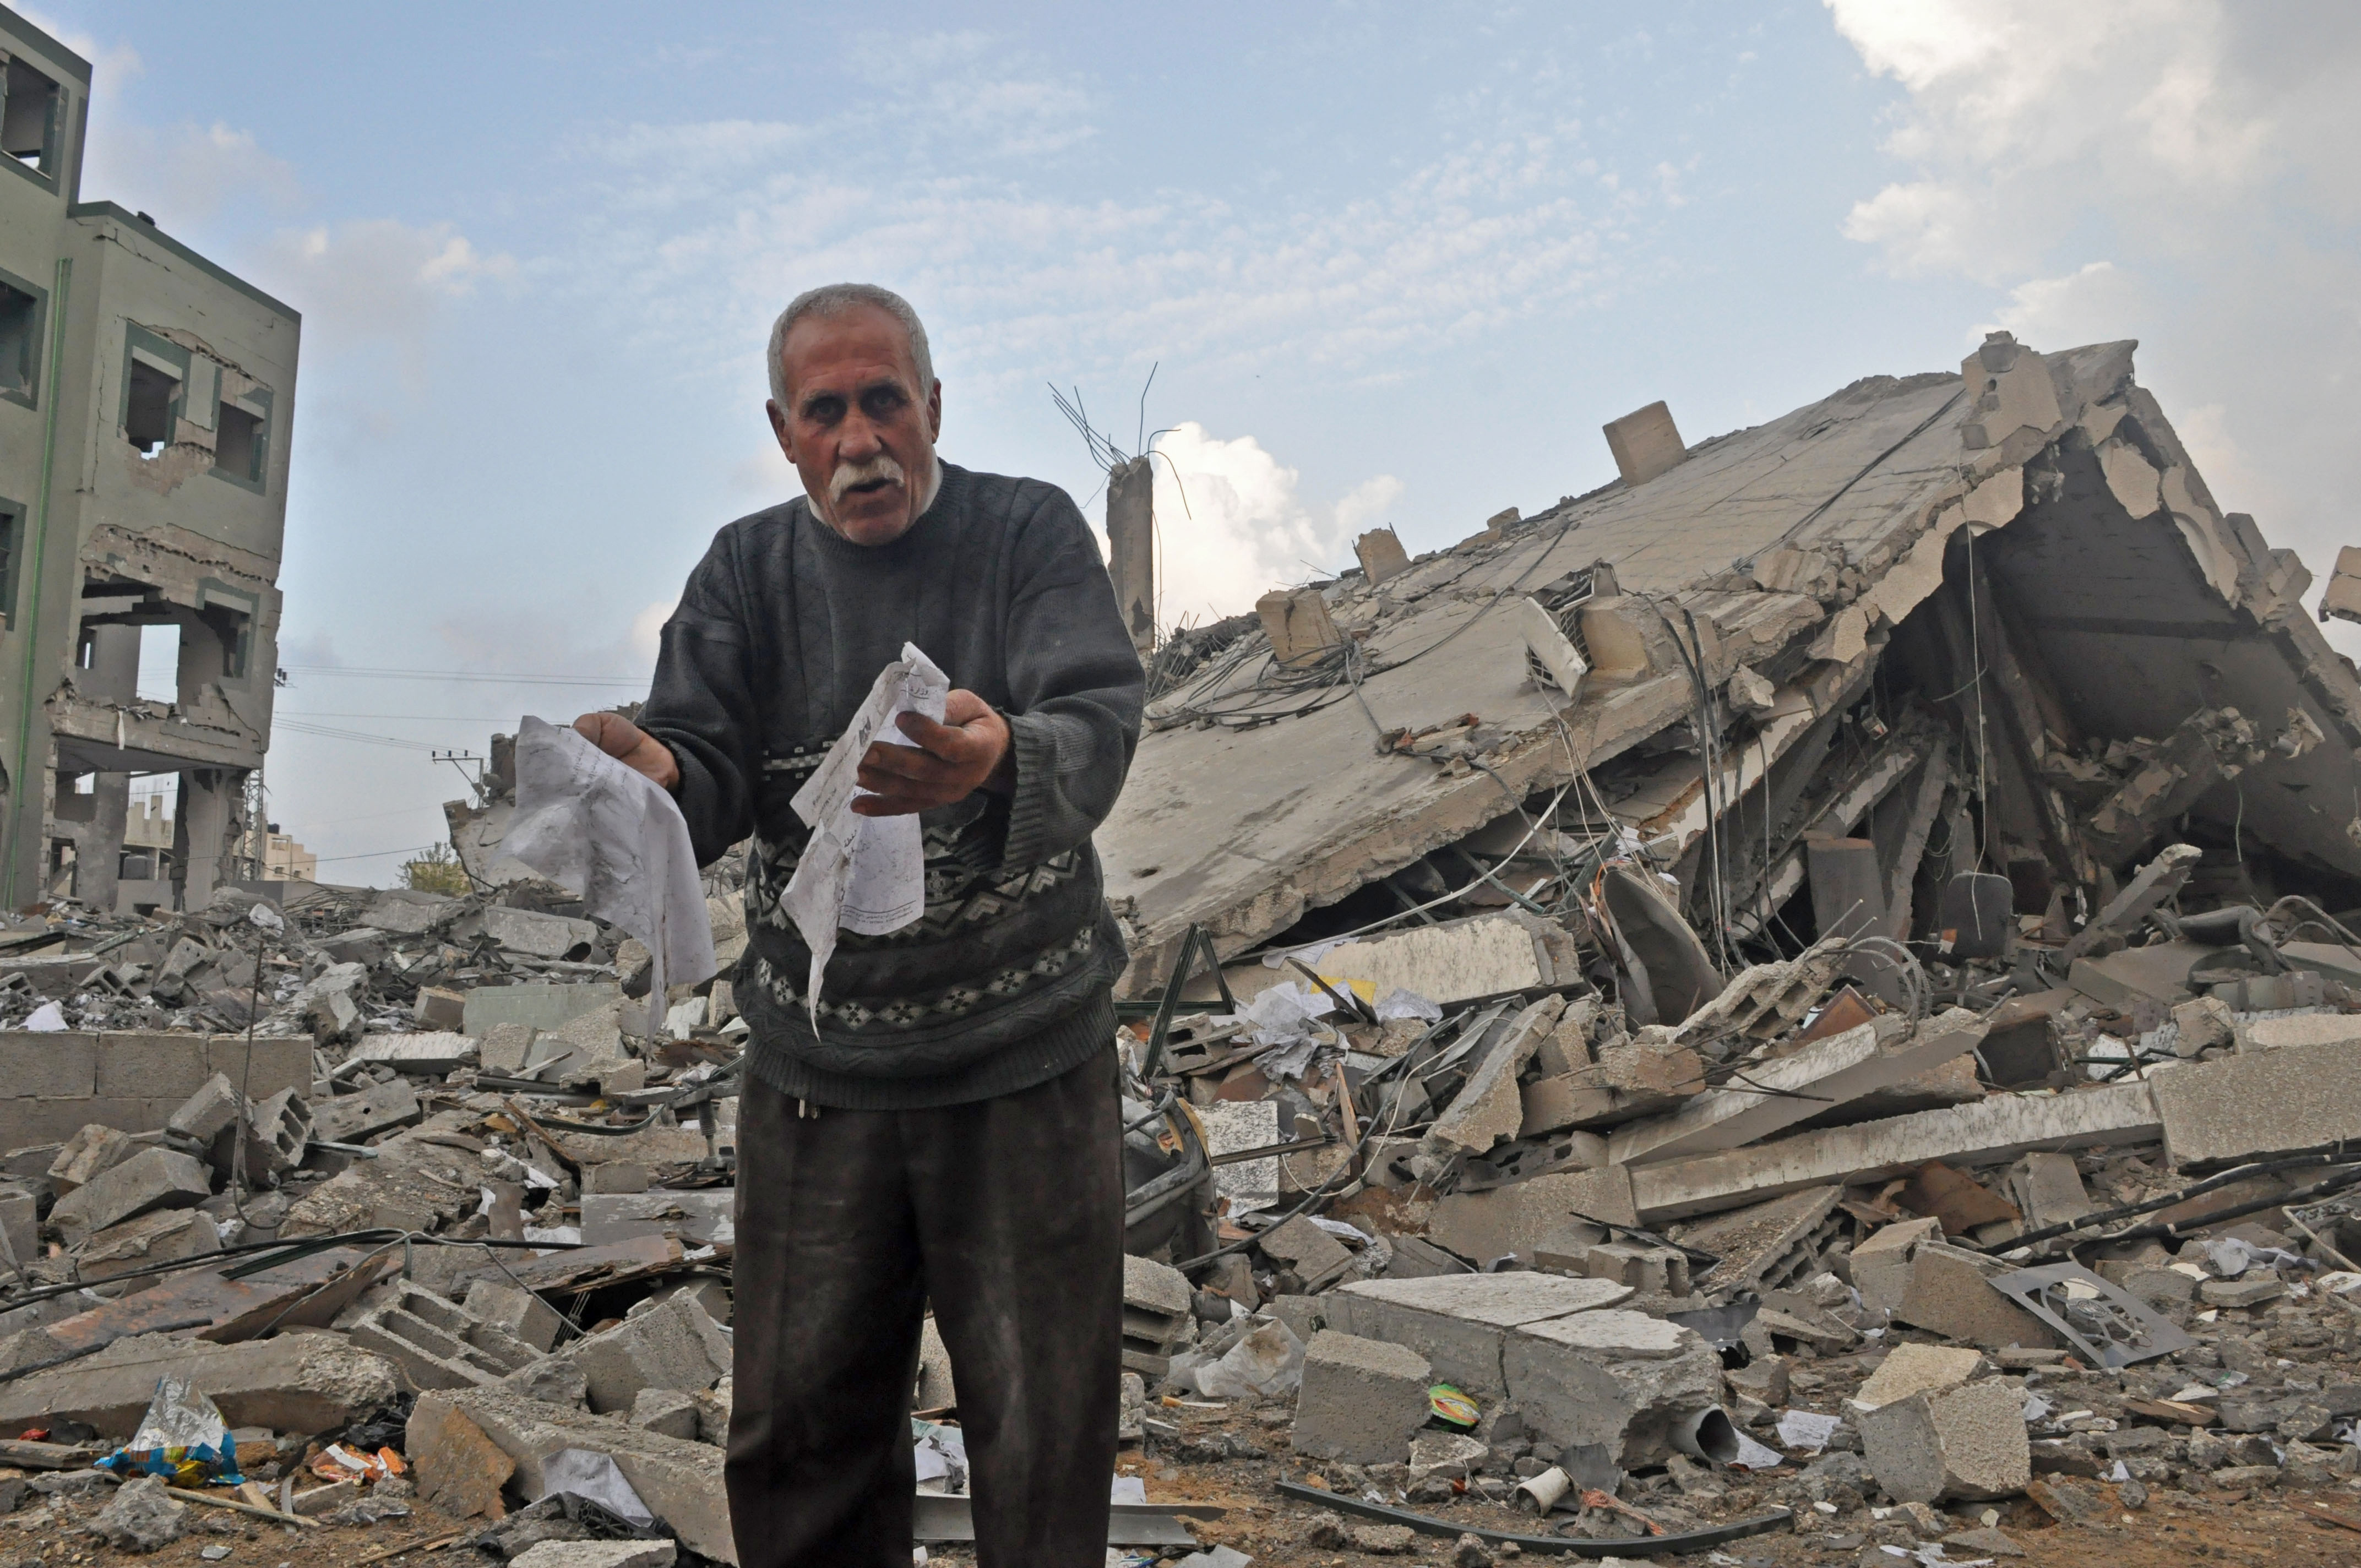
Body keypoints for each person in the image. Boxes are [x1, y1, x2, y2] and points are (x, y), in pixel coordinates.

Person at [573, 283, 1145, 1567]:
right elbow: (708, 761)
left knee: (1042, 1428)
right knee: (800, 1427)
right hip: (819, 1077)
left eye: (883, 401)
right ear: (782, 432)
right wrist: (658, 774)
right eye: (823, 411)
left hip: (1023, 1058)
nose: (858, 439)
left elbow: (1097, 717)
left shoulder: (1026, 532)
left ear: (931, 406)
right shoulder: (743, 572)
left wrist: (1002, 754)